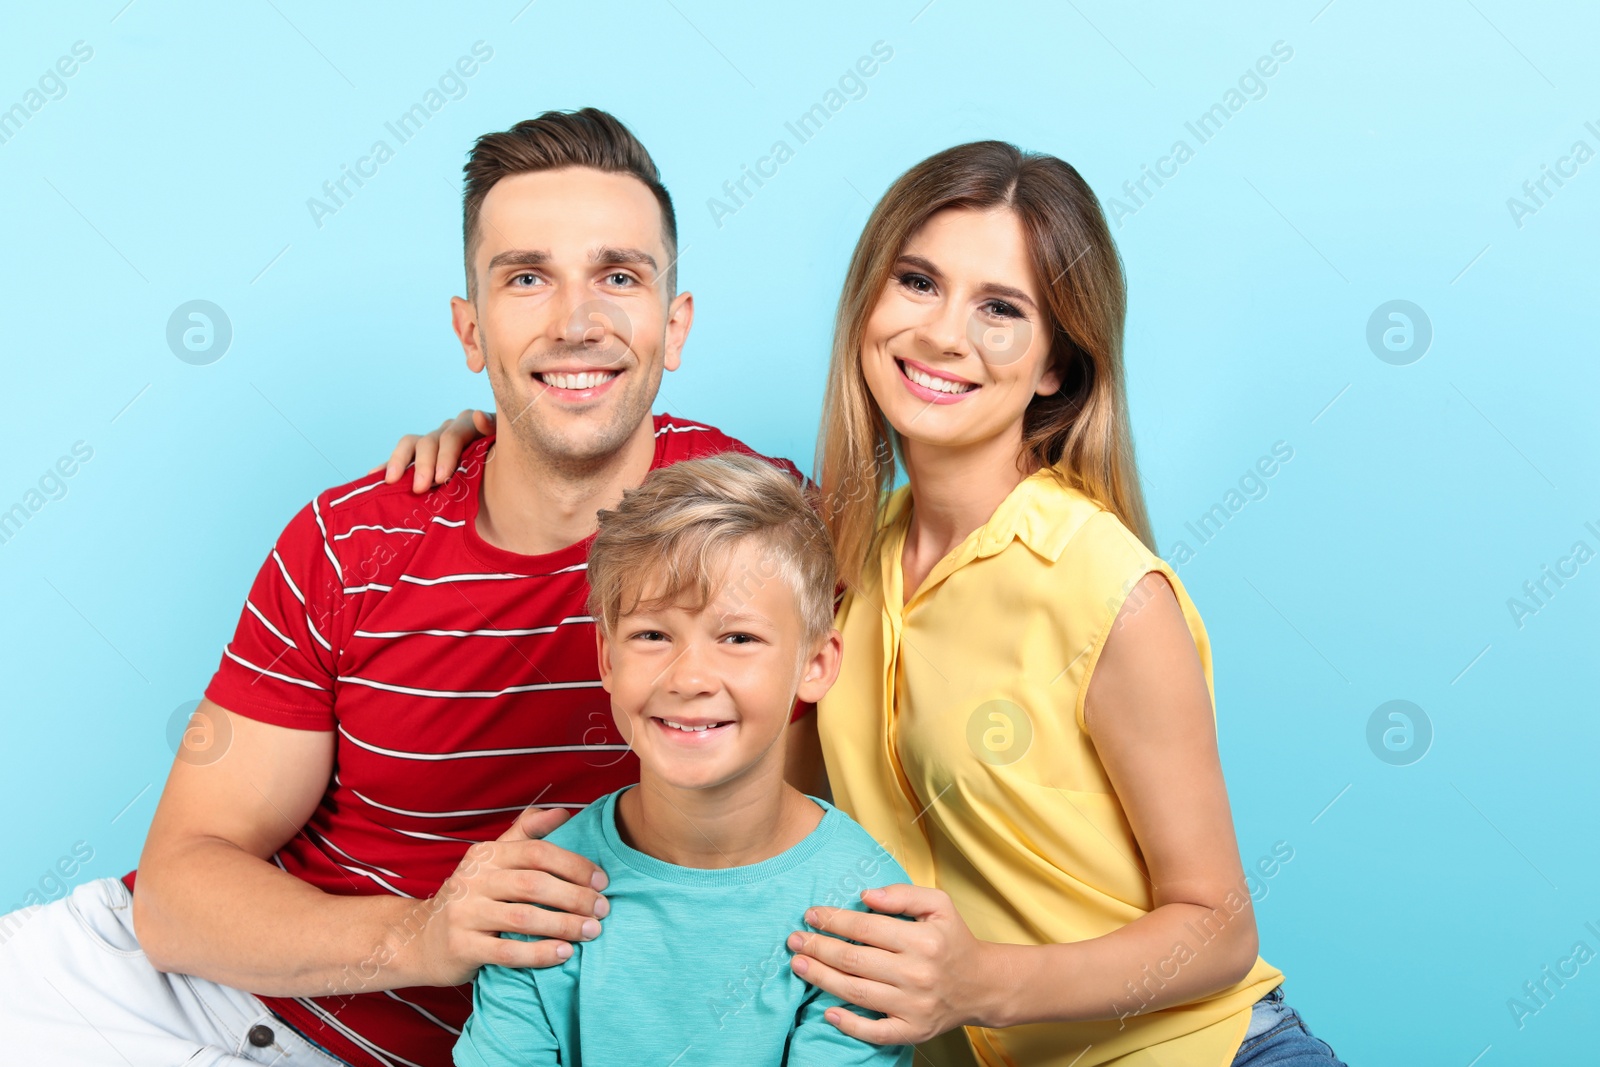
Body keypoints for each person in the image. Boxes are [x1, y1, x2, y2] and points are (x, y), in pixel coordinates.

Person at [391, 142, 1348, 1066]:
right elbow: (742, 713)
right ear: (868, 304)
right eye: (919, 283)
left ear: (1058, 363)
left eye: (1003, 308)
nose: (942, 333)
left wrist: (980, 983)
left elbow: (1219, 932)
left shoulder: (1105, 586)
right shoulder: (838, 552)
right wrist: (490, 439)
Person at [0, 109, 820, 1067]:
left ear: (673, 324)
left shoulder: (760, 529)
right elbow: (178, 895)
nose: (576, 321)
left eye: (619, 276)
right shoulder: (349, 541)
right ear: (472, 331)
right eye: (526, 278)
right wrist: (422, 936)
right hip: (159, 995)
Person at [454, 453, 911, 1066]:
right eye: (652, 635)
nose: (689, 677)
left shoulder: (865, 907)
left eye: (739, 638)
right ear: (607, 660)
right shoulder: (544, 890)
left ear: (815, 665)